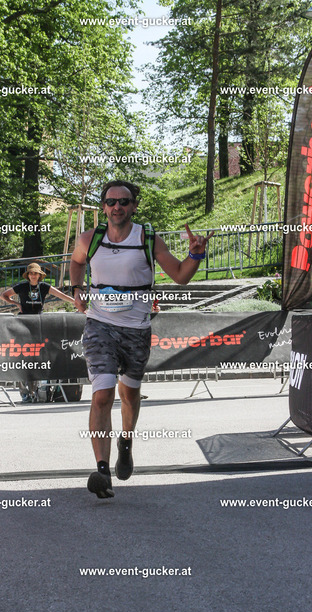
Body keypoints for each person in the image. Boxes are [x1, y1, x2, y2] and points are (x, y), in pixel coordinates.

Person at [70, 179, 214, 499]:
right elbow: (77, 262)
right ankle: (102, 470)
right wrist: (76, 288)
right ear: (103, 207)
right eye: (111, 202)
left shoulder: (148, 238)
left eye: (124, 201)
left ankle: (126, 440)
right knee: (102, 393)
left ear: (134, 206)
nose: (117, 207)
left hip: (136, 329)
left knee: (130, 392)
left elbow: (180, 275)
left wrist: (196, 255)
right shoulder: (90, 238)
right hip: (99, 324)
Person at [1, 262, 75, 402]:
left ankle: (34, 391)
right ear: (28, 275)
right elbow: (4, 295)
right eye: (31, 273)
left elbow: (60, 295)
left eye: (35, 273)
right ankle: (24, 392)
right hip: (23, 325)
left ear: (40, 275)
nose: (33, 276)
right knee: (22, 358)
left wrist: (75, 302)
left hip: (38, 325)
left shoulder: (44, 286)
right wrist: (17, 304)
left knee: (36, 359)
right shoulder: (22, 286)